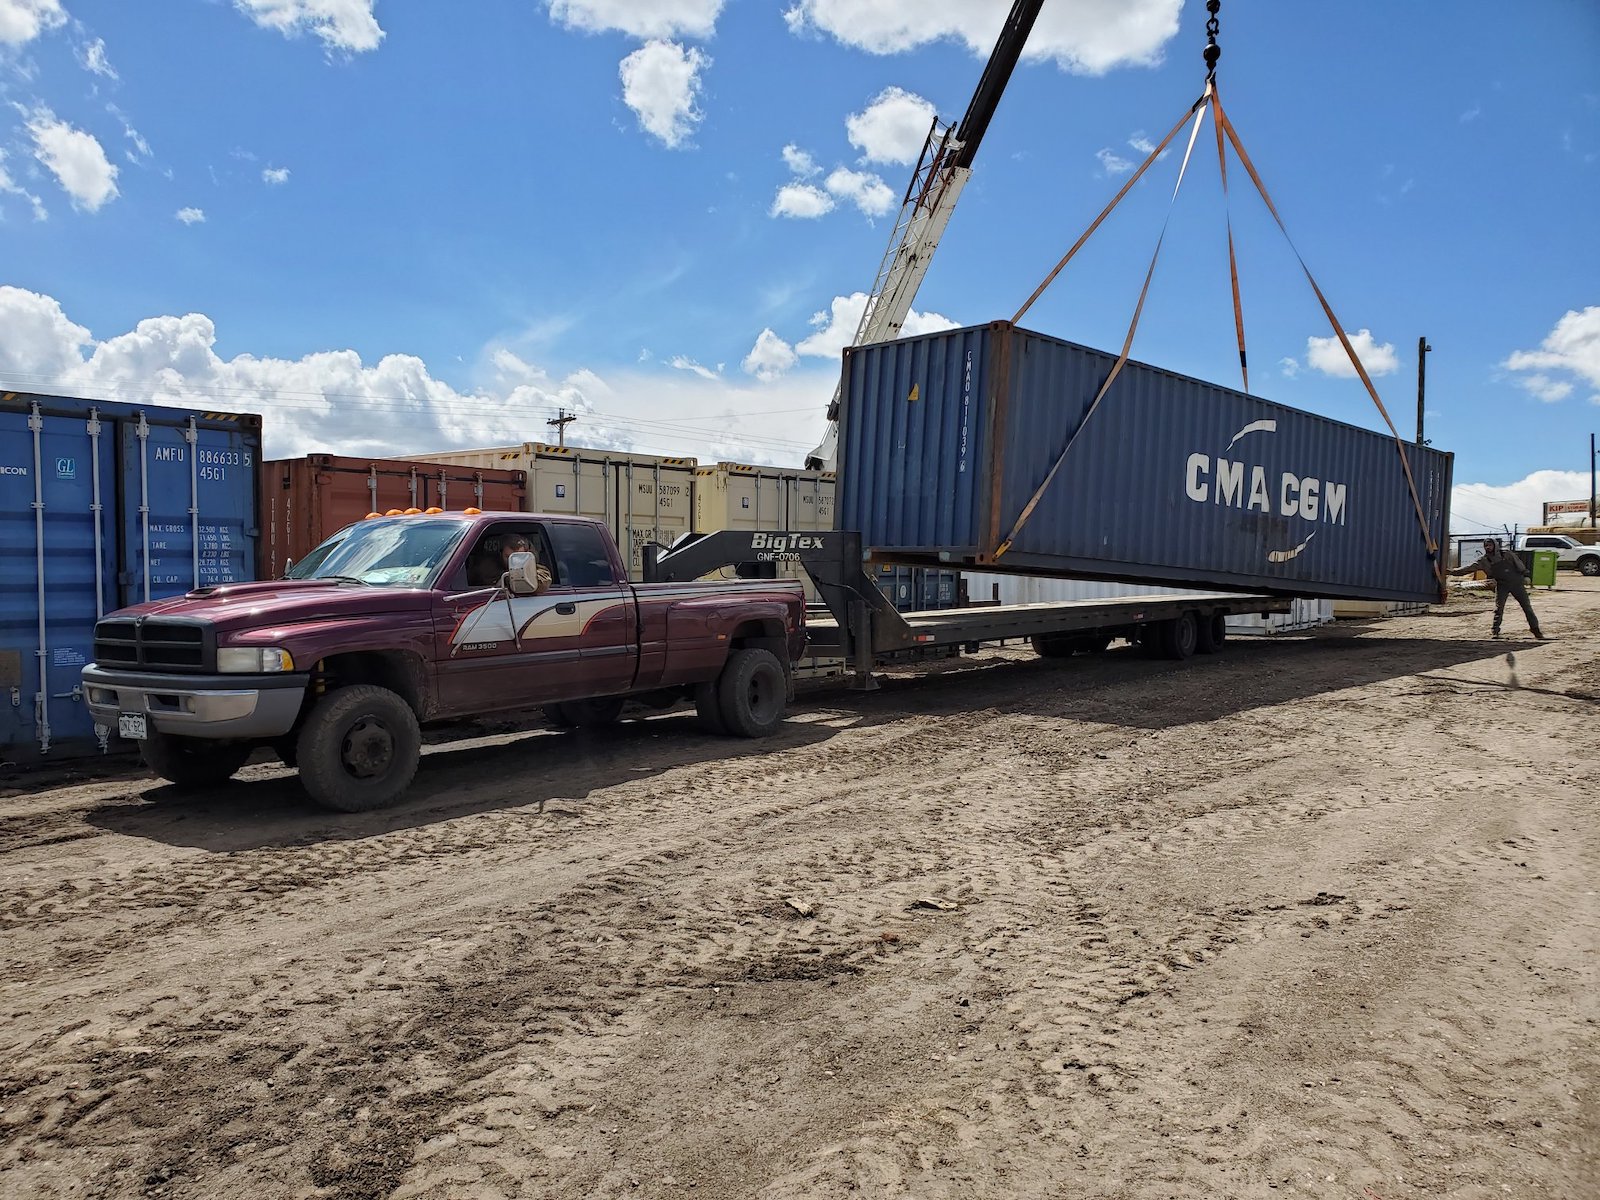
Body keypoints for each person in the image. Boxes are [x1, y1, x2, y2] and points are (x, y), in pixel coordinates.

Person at [1445, 538, 1545, 639]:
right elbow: (1468, 568)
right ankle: (1495, 631)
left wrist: (1526, 575)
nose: (1488, 547)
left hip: (1517, 584)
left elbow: (1519, 564)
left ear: (1495, 545)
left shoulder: (1507, 554)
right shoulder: (1484, 560)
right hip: (1502, 585)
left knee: (1527, 607)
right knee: (1499, 608)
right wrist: (1452, 572)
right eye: (1486, 546)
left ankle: (1536, 630)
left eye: (1490, 545)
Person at [468, 532, 551, 593]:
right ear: (501, 554)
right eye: (508, 557)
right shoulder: (487, 568)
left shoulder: (536, 569)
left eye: (518, 557)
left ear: (527, 555)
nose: (513, 561)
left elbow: (542, 584)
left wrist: (515, 577)